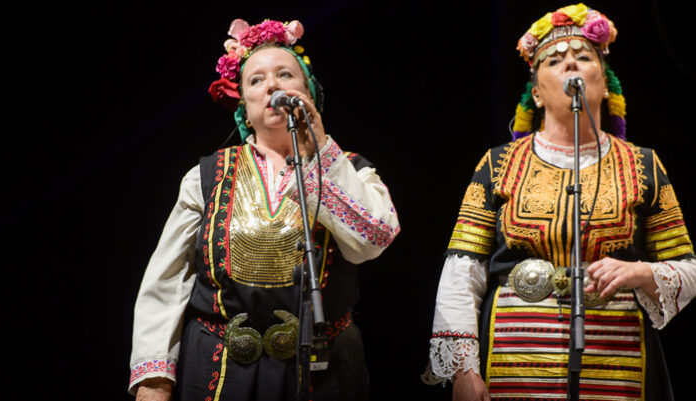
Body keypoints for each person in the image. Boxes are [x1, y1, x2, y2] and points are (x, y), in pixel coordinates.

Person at [422, 4, 696, 401]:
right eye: (553, 60)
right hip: (514, 358)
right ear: (535, 93)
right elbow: (463, 272)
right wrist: (464, 369)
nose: (570, 64)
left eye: (584, 57)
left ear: (605, 84)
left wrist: (638, 272)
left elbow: (687, 270)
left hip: (617, 366)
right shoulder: (498, 163)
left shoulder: (643, 164)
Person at [128, 18, 400, 401]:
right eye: (256, 80)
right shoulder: (206, 177)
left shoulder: (349, 169)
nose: (272, 86)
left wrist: (321, 153)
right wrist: (154, 379)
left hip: (323, 373)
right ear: (243, 101)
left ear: (308, 91)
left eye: (285, 75)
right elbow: (168, 281)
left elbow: (373, 241)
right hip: (220, 372)